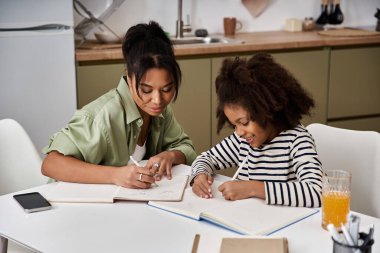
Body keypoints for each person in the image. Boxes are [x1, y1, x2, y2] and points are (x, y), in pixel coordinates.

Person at [42, 21, 196, 189]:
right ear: (129, 79)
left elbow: (186, 147)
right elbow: (51, 164)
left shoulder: (160, 112)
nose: (158, 100)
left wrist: (170, 156)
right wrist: (116, 175)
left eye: (167, 89)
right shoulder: (102, 116)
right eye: (146, 90)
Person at [190, 53, 322, 207]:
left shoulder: (297, 140)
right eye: (234, 125)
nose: (239, 132)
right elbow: (206, 158)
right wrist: (200, 175)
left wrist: (253, 188)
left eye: (244, 122)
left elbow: (317, 192)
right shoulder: (242, 141)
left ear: (267, 110)